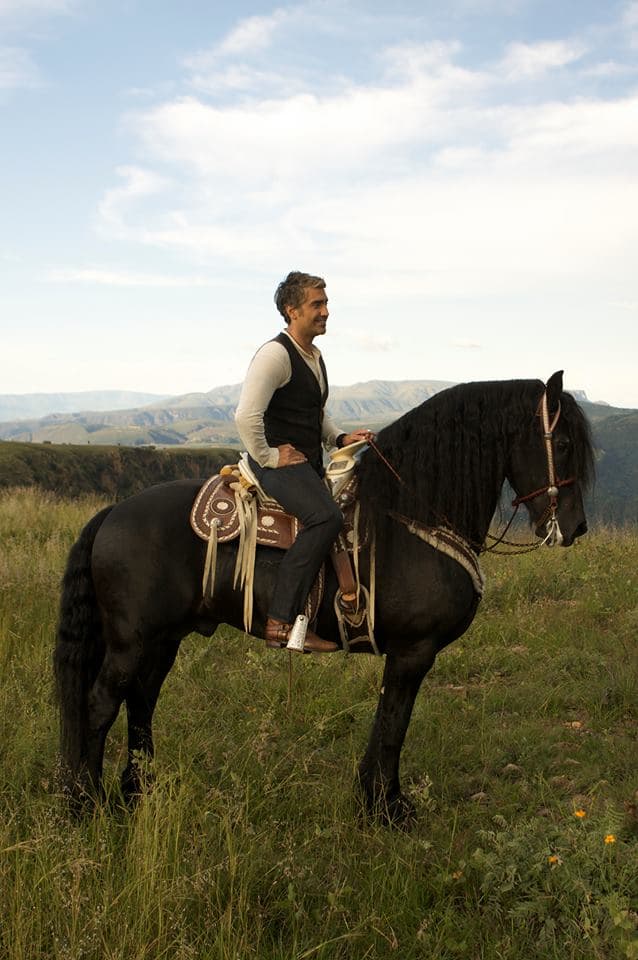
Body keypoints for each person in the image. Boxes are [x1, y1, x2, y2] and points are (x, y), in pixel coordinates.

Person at [235, 271, 373, 653]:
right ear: (291, 310)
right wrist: (269, 455)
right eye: (317, 304)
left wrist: (339, 439)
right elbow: (246, 417)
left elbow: (315, 411)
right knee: (325, 517)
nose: (326, 311)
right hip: (276, 466)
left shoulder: (314, 354)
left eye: (326, 303)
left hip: (305, 462)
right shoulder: (275, 355)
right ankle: (279, 623)